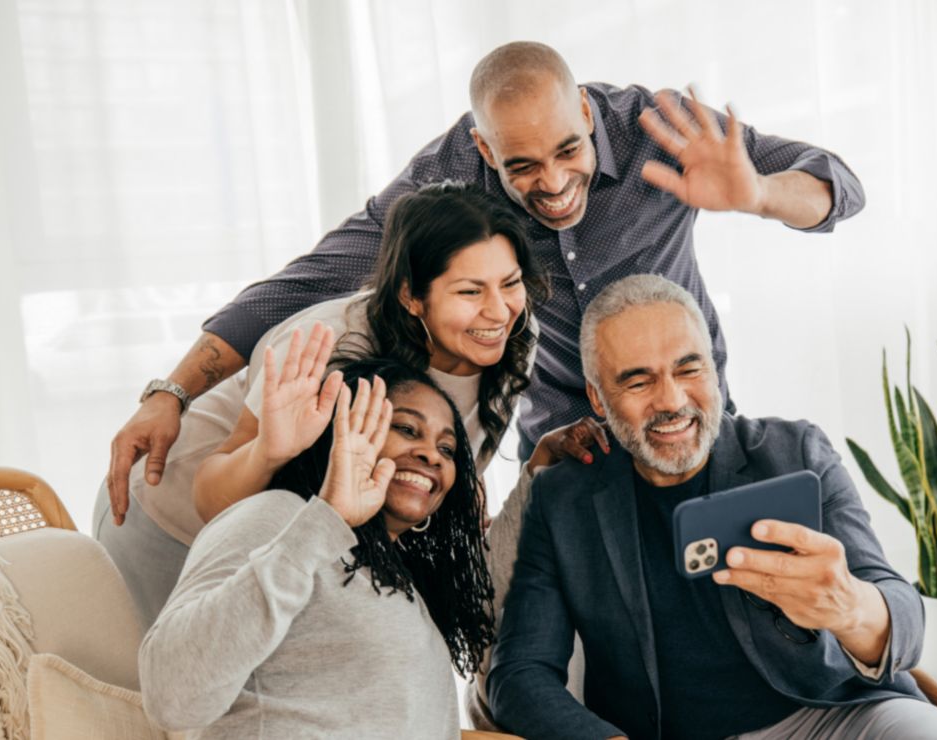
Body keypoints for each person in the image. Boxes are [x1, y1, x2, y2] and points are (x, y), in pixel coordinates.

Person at [105, 40, 865, 507]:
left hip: (689, 414)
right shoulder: (446, 178)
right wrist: (172, 390)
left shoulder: (657, 130)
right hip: (568, 447)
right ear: (484, 147)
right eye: (523, 166)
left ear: (591, 115)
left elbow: (836, 184)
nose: (556, 184)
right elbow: (313, 279)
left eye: (571, 151)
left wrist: (761, 195)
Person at [486, 275, 937, 740]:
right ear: (597, 398)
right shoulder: (562, 499)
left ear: (715, 368)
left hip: (833, 716)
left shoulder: (795, 453)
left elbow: (902, 615)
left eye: (689, 368)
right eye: (638, 382)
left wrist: (849, 605)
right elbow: (519, 673)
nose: (672, 400)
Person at [93, 182, 579, 628]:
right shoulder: (329, 343)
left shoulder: (514, 336)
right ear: (411, 295)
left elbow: (453, 460)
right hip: (176, 517)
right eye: (470, 291)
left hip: (300, 545)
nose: (498, 311)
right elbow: (214, 502)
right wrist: (269, 452)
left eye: (510, 283)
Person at [140, 358, 492, 738]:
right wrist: (327, 519)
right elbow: (171, 695)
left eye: (448, 448)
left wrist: (537, 472)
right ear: (337, 433)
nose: (432, 455)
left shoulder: (393, 579)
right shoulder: (277, 516)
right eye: (406, 429)